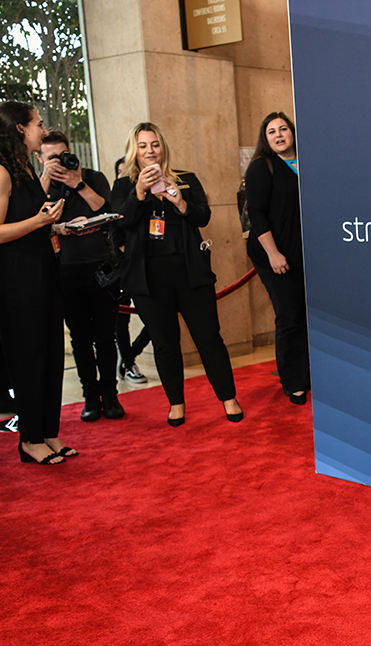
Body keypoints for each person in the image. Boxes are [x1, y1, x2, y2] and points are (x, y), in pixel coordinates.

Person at [111, 122, 243, 426]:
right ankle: (176, 403)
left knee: (209, 337)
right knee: (164, 342)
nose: (149, 151)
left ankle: (228, 397)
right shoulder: (122, 186)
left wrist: (180, 201)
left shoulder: (185, 179)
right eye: (142, 146)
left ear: (163, 147)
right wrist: (140, 191)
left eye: (154, 144)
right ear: (134, 150)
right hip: (149, 278)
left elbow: (204, 216)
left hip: (190, 271)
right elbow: (122, 222)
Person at [0, 101, 71, 464]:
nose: (44, 130)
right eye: (38, 124)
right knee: (29, 357)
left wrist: (53, 222)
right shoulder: (2, 172)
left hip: (43, 270)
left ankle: (48, 432)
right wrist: (40, 223)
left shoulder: (25, 168)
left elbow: (32, 218)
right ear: (19, 130)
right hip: (17, 278)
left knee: (50, 354)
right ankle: (29, 438)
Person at [39, 131, 125, 421]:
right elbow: (30, 221)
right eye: (52, 158)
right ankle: (90, 396)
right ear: (39, 158)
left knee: (105, 336)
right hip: (64, 271)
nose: (60, 162)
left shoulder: (91, 176)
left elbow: (107, 209)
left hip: (101, 268)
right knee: (79, 338)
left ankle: (111, 396)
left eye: (62, 154)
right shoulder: (40, 187)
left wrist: (78, 183)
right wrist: (46, 181)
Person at [244, 112, 310, 404]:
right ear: (265, 138)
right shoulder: (262, 167)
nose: (279, 135)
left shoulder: (309, 162)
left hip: (306, 253)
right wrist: (273, 253)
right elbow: (255, 215)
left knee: (309, 317)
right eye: (272, 132)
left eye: (284, 129)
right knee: (290, 315)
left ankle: (310, 373)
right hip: (273, 253)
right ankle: (293, 381)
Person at [111, 155, 149, 386]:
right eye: (120, 172)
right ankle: (128, 361)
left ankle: (129, 356)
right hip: (123, 267)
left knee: (154, 320)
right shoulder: (116, 200)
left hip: (147, 266)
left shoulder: (145, 198)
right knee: (121, 320)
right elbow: (116, 233)